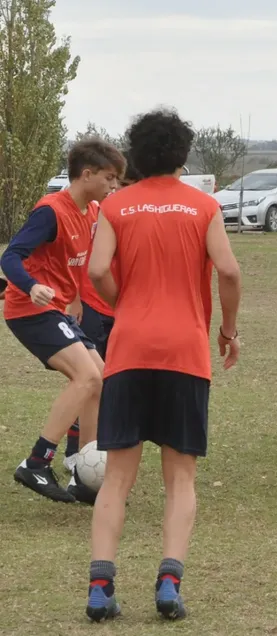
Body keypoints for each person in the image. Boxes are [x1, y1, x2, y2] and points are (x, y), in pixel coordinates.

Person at [85, 108, 243, 622]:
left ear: (136, 154)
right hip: (185, 351)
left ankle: (100, 587)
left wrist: (122, 304)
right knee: (180, 477)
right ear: (181, 154)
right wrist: (227, 330)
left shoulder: (115, 205)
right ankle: (169, 582)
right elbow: (229, 269)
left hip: (129, 349)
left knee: (116, 478)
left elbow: (98, 269)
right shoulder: (203, 206)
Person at [1, 139, 124, 504]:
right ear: (86, 175)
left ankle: (85, 476)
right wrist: (32, 285)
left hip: (54, 310)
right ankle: (36, 463)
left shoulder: (91, 211)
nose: (113, 185)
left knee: (100, 379)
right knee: (86, 377)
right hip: (29, 310)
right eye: (109, 177)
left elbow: (70, 264)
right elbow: (11, 258)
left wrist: (73, 300)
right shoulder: (51, 212)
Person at [62, 154, 143, 478]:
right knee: (89, 380)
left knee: (112, 383)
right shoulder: (99, 212)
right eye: (118, 184)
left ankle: (98, 447)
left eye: (125, 186)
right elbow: (77, 259)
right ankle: (74, 453)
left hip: (123, 311)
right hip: (94, 308)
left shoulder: (133, 215)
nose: (118, 190)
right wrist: (75, 298)